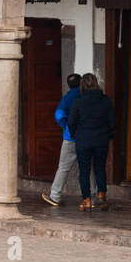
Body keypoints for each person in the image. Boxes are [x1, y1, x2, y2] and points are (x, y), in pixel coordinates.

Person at [68, 72, 115, 212]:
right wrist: (109, 135)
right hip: (101, 139)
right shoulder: (105, 100)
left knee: (84, 171)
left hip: (83, 140)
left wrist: (75, 134)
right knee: (100, 168)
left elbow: (71, 122)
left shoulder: (78, 101)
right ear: (96, 83)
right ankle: (101, 195)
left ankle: (87, 201)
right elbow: (112, 121)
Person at [41, 73, 81, 207]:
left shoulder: (68, 97)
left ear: (68, 85)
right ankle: (92, 197)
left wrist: (65, 127)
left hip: (70, 138)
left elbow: (59, 114)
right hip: (86, 138)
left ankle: (55, 196)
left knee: (63, 167)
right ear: (81, 83)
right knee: (89, 168)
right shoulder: (85, 96)